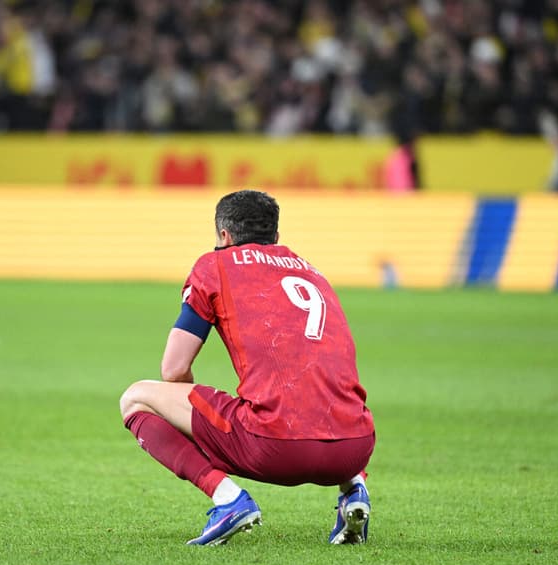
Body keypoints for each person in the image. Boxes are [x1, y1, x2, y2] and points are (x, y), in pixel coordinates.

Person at [119, 189, 376, 546]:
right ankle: (354, 492)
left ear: (224, 236)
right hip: (355, 448)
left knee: (136, 398)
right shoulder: (314, 272)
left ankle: (227, 499)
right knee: (329, 396)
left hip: (276, 446)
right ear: (276, 237)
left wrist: (197, 426)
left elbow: (174, 370)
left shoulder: (214, 265)